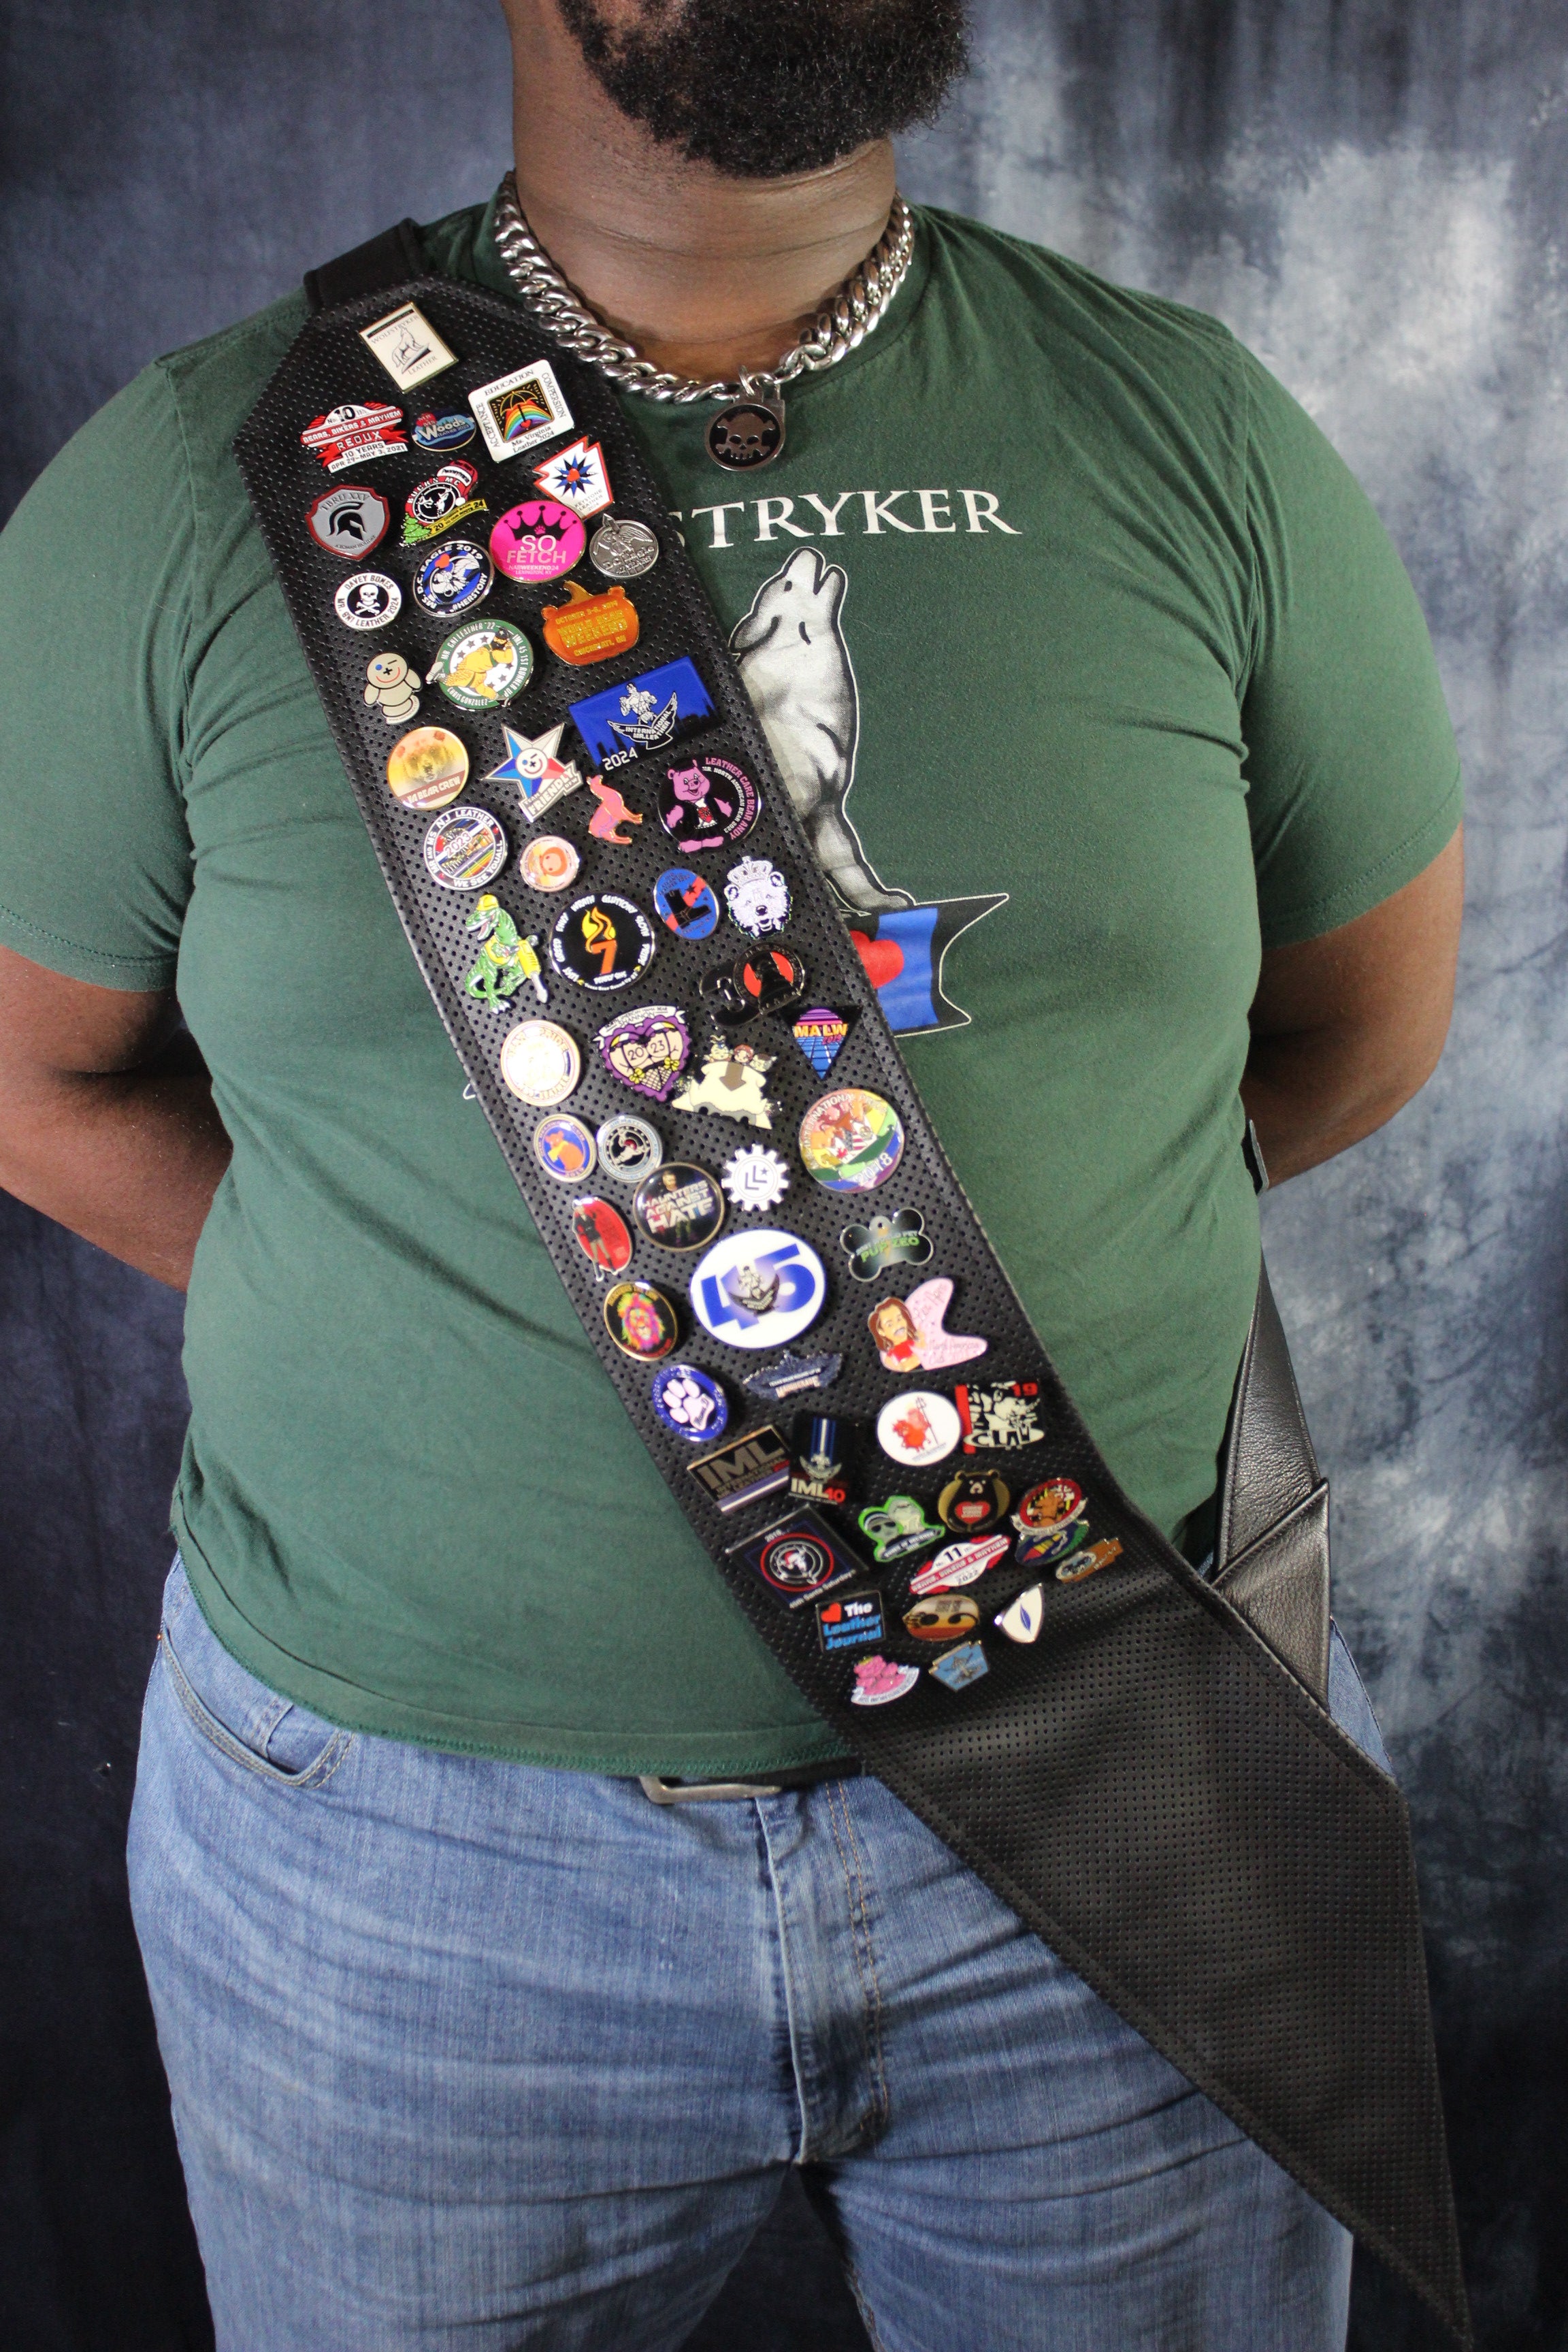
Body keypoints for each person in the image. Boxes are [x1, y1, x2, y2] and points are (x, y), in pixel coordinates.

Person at [0, 3, 1464, 2346]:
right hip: (411, 1865)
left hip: (1113, 1753)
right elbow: (34, 1081)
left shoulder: (1186, 427)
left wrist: (920, 1262)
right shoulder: (199, 482)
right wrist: (567, 1308)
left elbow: (1357, 1030)